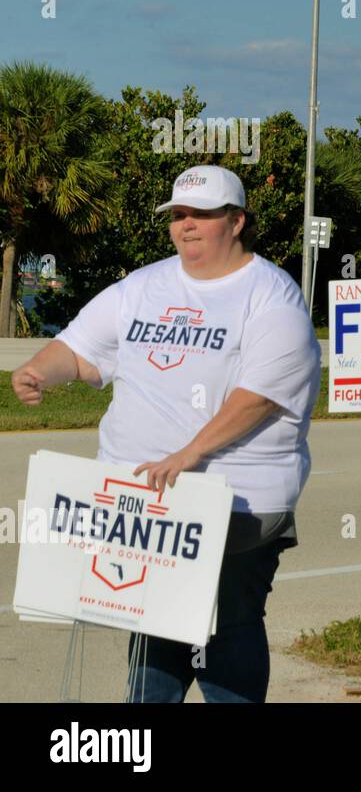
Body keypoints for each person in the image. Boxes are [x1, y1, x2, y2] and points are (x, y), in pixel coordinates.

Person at [10, 164, 321, 703]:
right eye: (179, 215)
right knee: (154, 629)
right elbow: (82, 347)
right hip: (143, 500)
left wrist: (188, 454)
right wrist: (39, 369)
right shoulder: (142, 285)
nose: (187, 226)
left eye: (201, 215)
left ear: (237, 220)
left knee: (226, 626)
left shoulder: (271, 295)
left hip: (237, 502)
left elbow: (260, 396)